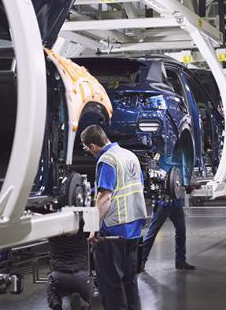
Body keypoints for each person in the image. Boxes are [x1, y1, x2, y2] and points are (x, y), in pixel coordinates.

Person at [81, 125, 147, 310]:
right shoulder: (129, 155)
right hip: (133, 228)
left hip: (113, 229)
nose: (89, 152)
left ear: (93, 145)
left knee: (111, 284)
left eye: (87, 148)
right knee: (129, 280)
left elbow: (105, 197)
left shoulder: (107, 160)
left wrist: (92, 228)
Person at [46, 218, 93, 310]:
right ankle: (83, 304)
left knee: (51, 284)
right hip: (81, 276)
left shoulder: (53, 236)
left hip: (59, 276)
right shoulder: (81, 233)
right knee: (88, 300)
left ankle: (57, 302)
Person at [141, 196, 195, 271]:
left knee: (181, 232)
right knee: (152, 233)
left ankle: (180, 261)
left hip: (176, 202)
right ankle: (140, 263)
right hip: (162, 203)